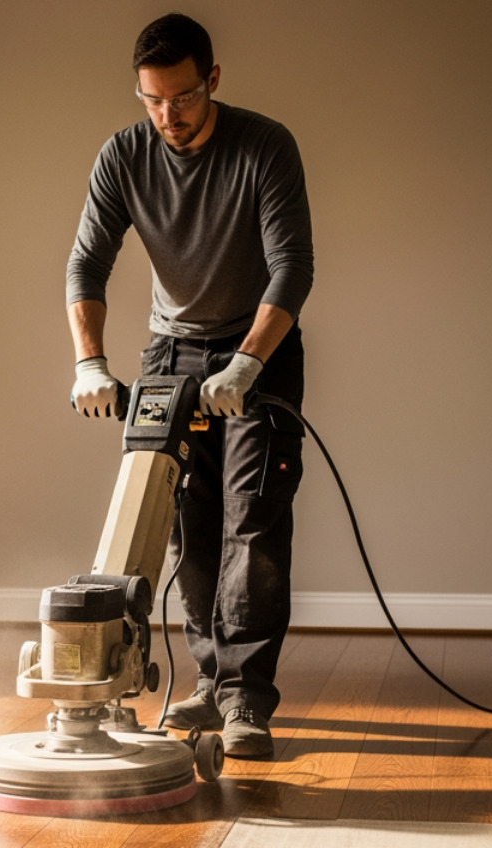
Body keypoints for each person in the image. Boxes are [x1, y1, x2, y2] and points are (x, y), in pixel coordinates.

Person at [65, 12, 313, 757]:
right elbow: (87, 264)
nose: (168, 116)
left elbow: (292, 266)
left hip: (255, 349)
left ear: (212, 80)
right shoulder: (125, 155)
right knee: (185, 524)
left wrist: (247, 362)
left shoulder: (264, 145)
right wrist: (89, 361)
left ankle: (246, 699)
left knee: (255, 521)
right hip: (169, 355)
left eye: (182, 97)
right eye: (152, 101)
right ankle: (209, 681)